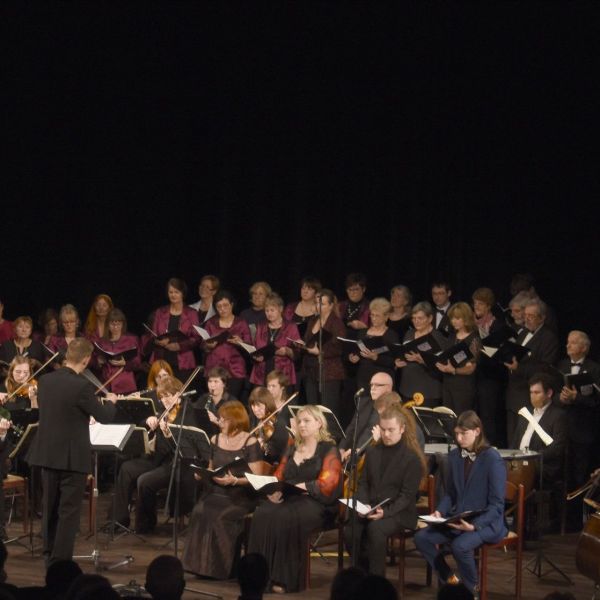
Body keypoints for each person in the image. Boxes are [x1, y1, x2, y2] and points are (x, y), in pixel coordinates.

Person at [26, 337, 118, 566]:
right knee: (68, 512)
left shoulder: (45, 381)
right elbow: (104, 417)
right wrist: (111, 401)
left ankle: (48, 554)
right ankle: (60, 561)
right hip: (71, 458)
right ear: (86, 360)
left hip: (47, 454)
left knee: (49, 507)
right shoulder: (82, 386)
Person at [247, 404, 343, 593]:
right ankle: (257, 576)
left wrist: (303, 486)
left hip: (316, 502)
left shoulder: (329, 449)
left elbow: (328, 484)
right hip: (290, 496)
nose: (302, 425)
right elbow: (280, 474)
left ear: (319, 423)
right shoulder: (293, 445)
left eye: (307, 421)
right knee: (262, 513)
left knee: (285, 517)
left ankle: (283, 579)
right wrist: (275, 490)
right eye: (299, 421)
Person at [415, 410, 507, 595]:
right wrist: (440, 512)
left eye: (463, 433)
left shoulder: (492, 458)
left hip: (485, 523)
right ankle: (451, 580)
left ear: (477, 431)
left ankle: (471, 591)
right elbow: (451, 493)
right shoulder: (455, 456)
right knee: (421, 538)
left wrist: (475, 526)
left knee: (460, 546)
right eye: (457, 434)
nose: (459, 438)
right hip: (459, 519)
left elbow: (497, 505)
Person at [181, 400, 264, 579]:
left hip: (241, 495)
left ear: (236, 420)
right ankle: (199, 567)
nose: (220, 422)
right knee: (199, 511)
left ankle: (221, 569)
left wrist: (235, 481)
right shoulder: (215, 439)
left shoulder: (250, 441)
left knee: (220, 516)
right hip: (217, 491)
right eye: (220, 418)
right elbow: (211, 467)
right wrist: (202, 474)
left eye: (224, 419)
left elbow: (256, 477)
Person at [113, 375, 204, 533]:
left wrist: (169, 433)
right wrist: (148, 421)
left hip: (175, 462)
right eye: (161, 397)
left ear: (178, 394)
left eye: (168, 396)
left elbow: (185, 447)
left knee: (144, 481)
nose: (164, 400)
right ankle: (119, 520)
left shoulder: (189, 412)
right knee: (126, 468)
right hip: (157, 459)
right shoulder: (162, 410)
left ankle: (146, 525)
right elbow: (146, 429)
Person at [344, 405, 427, 576]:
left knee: (376, 529)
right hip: (373, 507)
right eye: (383, 429)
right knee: (352, 528)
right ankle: (361, 573)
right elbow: (363, 483)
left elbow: (407, 496)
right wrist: (364, 505)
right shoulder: (373, 451)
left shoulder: (412, 458)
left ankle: (376, 580)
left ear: (402, 429)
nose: (386, 434)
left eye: (391, 430)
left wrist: (385, 512)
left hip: (400, 512)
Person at [510, 373, 567, 529]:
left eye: (537, 392)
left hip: (544, 466)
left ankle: (521, 526)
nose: (533, 396)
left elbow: (557, 448)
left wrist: (532, 457)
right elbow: (515, 443)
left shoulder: (558, 415)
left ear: (549, 393)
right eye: (531, 392)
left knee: (521, 474)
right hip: (520, 463)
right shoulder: (525, 413)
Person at [557, 330, 600, 529]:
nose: (568, 346)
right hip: (563, 427)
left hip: (584, 430)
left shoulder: (594, 369)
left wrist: (577, 398)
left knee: (580, 475)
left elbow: (597, 401)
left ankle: (579, 523)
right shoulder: (562, 366)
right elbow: (554, 393)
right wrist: (561, 398)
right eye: (568, 342)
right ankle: (562, 520)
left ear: (584, 347)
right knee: (562, 474)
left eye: (573, 343)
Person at [504, 298, 559, 436]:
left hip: (528, 395)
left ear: (542, 318)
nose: (526, 319)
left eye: (531, 316)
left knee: (524, 437)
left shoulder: (549, 338)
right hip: (513, 394)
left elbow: (545, 368)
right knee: (512, 437)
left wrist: (519, 368)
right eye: (525, 315)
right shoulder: (523, 332)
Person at [472, 287, 508, 447]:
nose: (476, 307)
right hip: (474, 377)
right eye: (475, 303)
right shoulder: (472, 324)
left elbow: (498, 355)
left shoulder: (497, 326)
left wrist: (481, 349)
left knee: (488, 417)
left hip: (490, 378)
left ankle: (489, 449)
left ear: (488, 306)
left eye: (480, 303)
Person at [301, 288, 345, 415]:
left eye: (322, 304)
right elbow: (308, 340)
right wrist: (302, 344)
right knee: (313, 409)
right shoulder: (313, 321)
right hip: (311, 370)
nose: (318, 306)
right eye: (316, 303)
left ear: (331, 305)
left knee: (327, 410)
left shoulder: (336, 323)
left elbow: (339, 347)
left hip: (329, 372)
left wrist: (320, 352)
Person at [396, 301, 449, 407]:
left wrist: (422, 360)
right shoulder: (409, 333)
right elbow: (403, 354)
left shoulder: (437, 337)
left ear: (430, 318)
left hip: (428, 391)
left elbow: (442, 366)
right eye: (414, 318)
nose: (416, 321)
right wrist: (398, 362)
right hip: (407, 388)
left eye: (420, 318)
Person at [203, 290, 252, 400]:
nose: (222, 309)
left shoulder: (241, 323)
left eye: (225, 305)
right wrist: (208, 345)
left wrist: (241, 343)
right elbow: (203, 344)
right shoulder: (211, 323)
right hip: (214, 368)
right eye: (219, 306)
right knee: (214, 401)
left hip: (235, 369)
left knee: (231, 402)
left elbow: (250, 346)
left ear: (232, 305)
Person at [436, 302, 481, 416]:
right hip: (448, 383)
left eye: (457, 318)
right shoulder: (452, 336)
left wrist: (454, 370)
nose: (453, 321)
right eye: (452, 318)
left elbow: (471, 368)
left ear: (466, 319)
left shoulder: (473, 339)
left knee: (461, 418)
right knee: (447, 417)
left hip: (463, 387)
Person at [151, 278, 200, 381]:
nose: (173, 295)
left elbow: (196, 338)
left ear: (183, 293)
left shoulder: (192, 313)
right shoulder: (160, 312)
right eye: (171, 292)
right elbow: (153, 335)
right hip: (161, 361)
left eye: (176, 292)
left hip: (183, 363)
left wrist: (179, 345)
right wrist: (159, 341)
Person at [339, 372, 393, 463]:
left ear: (388, 388)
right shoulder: (363, 402)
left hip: (370, 456)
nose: (373, 388)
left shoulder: (393, 410)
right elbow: (352, 428)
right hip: (352, 453)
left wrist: (359, 451)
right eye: (371, 385)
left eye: (377, 385)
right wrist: (342, 447)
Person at [348, 298, 399, 391]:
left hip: (382, 379)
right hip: (363, 378)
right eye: (372, 315)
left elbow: (394, 362)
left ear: (386, 317)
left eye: (377, 316)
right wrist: (355, 357)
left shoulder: (391, 335)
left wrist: (376, 357)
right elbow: (358, 351)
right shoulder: (362, 333)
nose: (374, 318)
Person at [249, 293, 300, 387]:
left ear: (280, 309)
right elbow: (254, 348)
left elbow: (297, 352)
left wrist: (287, 351)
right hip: (261, 374)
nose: (269, 313)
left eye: (272, 310)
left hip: (282, 373)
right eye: (267, 310)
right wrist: (256, 356)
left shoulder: (290, 327)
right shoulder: (261, 327)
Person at [94, 308, 140, 395]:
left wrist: (125, 363)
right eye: (112, 324)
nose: (115, 327)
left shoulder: (131, 340)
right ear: (107, 324)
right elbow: (96, 365)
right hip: (106, 385)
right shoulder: (101, 341)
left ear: (123, 324)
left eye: (118, 324)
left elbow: (137, 363)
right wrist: (98, 362)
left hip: (125, 385)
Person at [248, 386, 291, 464]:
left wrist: (260, 445)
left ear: (267, 404)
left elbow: (275, 454)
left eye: (259, 405)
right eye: (253, 405)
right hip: (256, 462)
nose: (256, 409)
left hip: (272, 465)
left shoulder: (278, 424)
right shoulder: (254, 420)